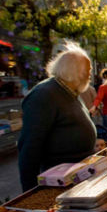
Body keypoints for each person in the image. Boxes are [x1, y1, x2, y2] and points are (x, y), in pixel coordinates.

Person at [18, 43, 96, 191]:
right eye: (88, 70)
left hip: (77, 174)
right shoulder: (44, 94)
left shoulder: (71, 91)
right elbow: (29, 148)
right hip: (58, 180)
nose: (90, 74)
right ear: (75, 70)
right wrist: (31, 192)